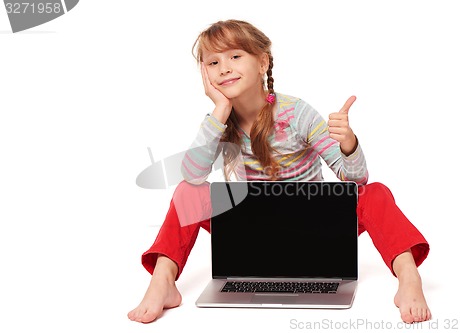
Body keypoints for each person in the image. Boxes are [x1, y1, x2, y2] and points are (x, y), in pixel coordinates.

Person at [128, 19, 431, 324]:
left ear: (262, 63)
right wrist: (220, 109)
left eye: (235, 56)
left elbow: (354, 182)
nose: (224, 68)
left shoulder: (296, 112)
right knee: (188, 192)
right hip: (254, 236)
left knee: (375, 191)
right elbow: (193, 178)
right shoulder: (218, 122)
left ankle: (408, 278)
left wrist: (349, 145)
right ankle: (163, 282)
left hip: (317, 232)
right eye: (213, 62)